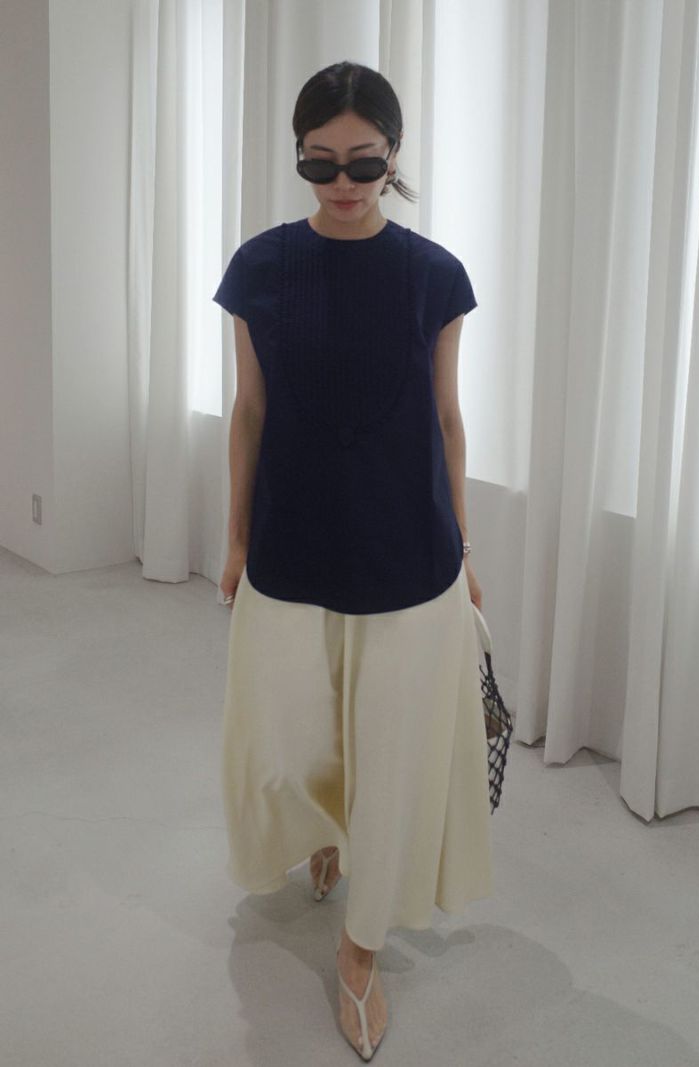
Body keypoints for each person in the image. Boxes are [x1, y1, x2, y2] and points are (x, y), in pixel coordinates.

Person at [213, 61, 494, 1060]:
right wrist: (234, 537)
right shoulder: (260, 268)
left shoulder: (433, 275)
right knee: (289, 741)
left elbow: (447, 418)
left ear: (393, 156)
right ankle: (324, 833)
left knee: (397, 757)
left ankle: (361, 948)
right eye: (319, 163)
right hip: (290, 543)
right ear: (297, 156)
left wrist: (464, 547)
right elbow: (250, 412)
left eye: (363, 162)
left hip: (408, 551)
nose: (342, 181)